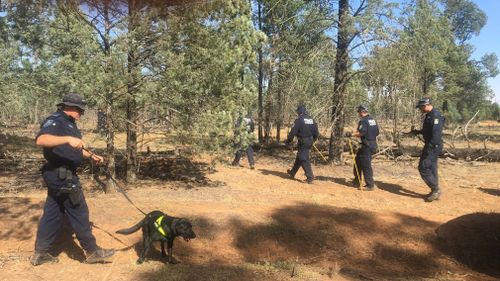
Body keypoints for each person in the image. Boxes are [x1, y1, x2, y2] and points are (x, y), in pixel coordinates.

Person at [31, 93, 115, 266]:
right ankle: (92, 251)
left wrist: (91, 156)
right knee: (79, 210)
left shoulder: (70, 123)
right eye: (80, 110)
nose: (81, 114)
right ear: (70, 107)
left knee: (53, 214)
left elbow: (72, 149)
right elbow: (41, 139)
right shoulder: (56, 120)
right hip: (61, 175)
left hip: (61, 174)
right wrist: (68, 138)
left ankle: (41, 253)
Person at [412, 97, 444, 202]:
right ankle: (435, 190)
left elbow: (436, 134)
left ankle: (435, 189)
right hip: (432, 145)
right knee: (432, 167)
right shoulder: (429, 116)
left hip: (432, 146)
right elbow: (429, 130)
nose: (420, 109)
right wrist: (418, 132)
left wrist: (430, 147)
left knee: (423, 167)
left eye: (421, 107)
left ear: (426, 105)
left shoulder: (435, 116)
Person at [345, 105, 379, 191]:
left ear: (362, 112)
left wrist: (351, 134)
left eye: (359, 112)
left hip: (367, 145)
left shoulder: (363, 121)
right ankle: (357, 180)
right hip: (372, 144)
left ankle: (370, 185)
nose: (358, 113)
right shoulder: (372, 120)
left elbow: (361, 132)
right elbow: (377, 132)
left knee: (366, 165)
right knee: (358, 161)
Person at [286, 105, 319, 184]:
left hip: (303, 140)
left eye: (297, 111)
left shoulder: (299, 120)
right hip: (310, 140)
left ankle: (310, 177)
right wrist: (312, 140)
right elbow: (316, 133)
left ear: (299, 111)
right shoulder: (312, 119)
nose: (297, 113)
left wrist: (288, 141)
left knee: (303, 157)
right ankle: (292, 172)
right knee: (300, 156)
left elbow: (293, 132)